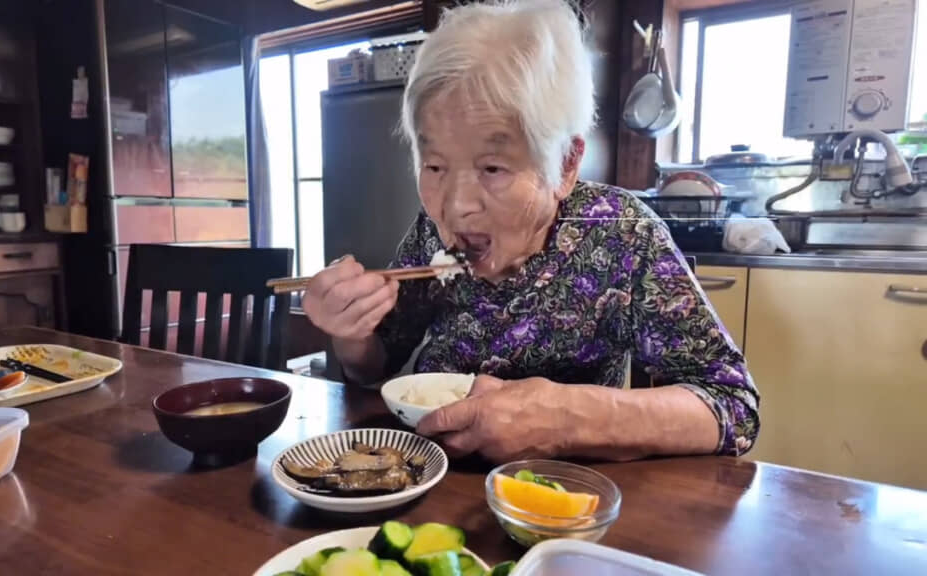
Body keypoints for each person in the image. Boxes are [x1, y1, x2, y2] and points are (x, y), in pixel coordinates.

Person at [302, 0, 759, 463]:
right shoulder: (430, 233)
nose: (456, 205)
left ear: (564, 165)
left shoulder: (622, 233)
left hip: (557, 499)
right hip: (427, 474)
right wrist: (352, 334)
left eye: (493, 167)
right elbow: (376, 365)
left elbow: (733, 407)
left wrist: (567, 418)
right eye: (435, 165)